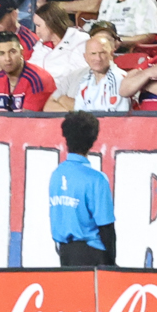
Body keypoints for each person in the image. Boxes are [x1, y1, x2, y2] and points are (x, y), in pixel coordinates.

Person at [48, 111, 117, 266]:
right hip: (94, 255)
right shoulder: (96, 180)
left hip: (65, 254)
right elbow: (106, 228)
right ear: (93, 140)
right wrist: (111, 264)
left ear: (66, 137)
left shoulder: (56, 175)